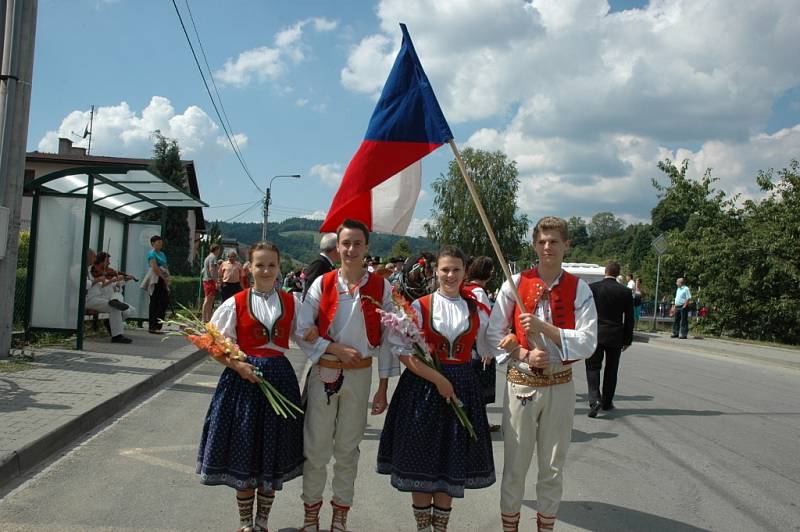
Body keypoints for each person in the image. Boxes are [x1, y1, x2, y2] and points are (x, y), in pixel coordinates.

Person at [487, 216, 597, 532]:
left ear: (566, 245)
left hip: (560, 384)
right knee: (515, 467)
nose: (547, 247)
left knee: (552, 467)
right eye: (542, 241)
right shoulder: (515, 283)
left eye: (554, 241)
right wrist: (522, 352)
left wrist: (543, 328)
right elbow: (493, 334)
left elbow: (589, 342)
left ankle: (544, 527)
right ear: (535, 245)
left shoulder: (580, 290)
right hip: (521, 383)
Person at [377, 246, 496, 531]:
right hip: (423, 389)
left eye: (456, 269)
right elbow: (404, 352)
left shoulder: (476, 308)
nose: (450, 275)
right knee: (423, 461)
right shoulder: (419, 306)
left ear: (465, 272)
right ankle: (423, 527)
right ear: (436, 271)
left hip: (463, 388)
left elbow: (492, 344)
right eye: (445, 269)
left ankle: (440, 527)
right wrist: (438, 379)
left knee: (449, 460)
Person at [294, 218, 399, 532]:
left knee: (348, 449)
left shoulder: (381, 287)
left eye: (357, 243)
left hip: (360, 375)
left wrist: (383, 388)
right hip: (324, 370)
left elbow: (391, 339)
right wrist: (333, 348)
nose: (351, 249)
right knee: (315, 448)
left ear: (367, 247)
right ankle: (310, 518)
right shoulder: (323, 284)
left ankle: (340, 518)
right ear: (337, 247)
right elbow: (301, 329)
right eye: (345, 243)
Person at [198, 241, 310, 532]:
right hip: (243, 381)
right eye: (260, 264)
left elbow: (307, 338)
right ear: (249, 267)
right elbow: (213, 342)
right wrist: (238, 365)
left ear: (278, 267)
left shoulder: (291, 302)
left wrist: (327, 346)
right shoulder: (235, 302)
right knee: (245, 451)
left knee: (270, 454)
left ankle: (262, 523)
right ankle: (245, 523)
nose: (266, 270)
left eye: (271, 265)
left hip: (280, 380)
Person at [585, 261, 634, 417]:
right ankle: (607, 402)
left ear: (605, 271)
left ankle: (594, 400)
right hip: (615, 336)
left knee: (593, 367)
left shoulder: (593, 288)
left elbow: (586, 313)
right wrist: (627, 339)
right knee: (611, 370)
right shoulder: (625, 292)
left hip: (595, 335)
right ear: (618, 274)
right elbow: (630, 318)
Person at [463, 255, 500, 431]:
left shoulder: (466, 288)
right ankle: (479, 423)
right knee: (479, 390)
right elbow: (483, 323)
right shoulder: (479, 292)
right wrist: (487, 351)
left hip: (467, 346)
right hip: (478, 348)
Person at [86, 251, 135, 343]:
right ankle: (117, 336)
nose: (94, 259)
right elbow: (85, 285)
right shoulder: (86, 270)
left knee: (128, 309)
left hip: (102, 298)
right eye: (93, 257)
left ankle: (113, 325)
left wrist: (122, 280)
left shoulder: (94, 270)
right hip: (90, 299)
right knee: (114, 307)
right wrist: (99, 280)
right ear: (87, 257)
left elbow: (107, 285)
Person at [143, 235, 170, 334]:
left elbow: (165, 266)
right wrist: (163, 277)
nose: (160, 244)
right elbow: (154, 267)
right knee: (154, 301)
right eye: (158, 243)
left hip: (163, 278)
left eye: (161, 242)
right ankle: (152, 326)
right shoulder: (152, 254)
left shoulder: (162, 254)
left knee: (164, 301)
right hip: (155, 279)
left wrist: (167, 278)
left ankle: (158, 325)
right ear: (153, 244)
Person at [201, 244, 221, 323]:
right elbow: (211, 270)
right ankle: (204, 319)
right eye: (219, 250)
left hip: (207, 280)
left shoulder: (208, 257)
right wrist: (216, 281)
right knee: (208, 299)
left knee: (210, 300)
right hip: (210, 281)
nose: (219, 251)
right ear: (216, 249)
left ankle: (208, 319)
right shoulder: (213, 257)